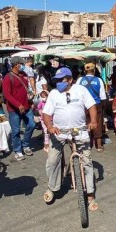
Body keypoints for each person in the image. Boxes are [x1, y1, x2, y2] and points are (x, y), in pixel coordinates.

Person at [42, 67, 99, 211]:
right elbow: (46, 114)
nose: (59, 82)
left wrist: (93, 121)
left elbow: (92, 106)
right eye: (57, 80)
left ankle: (90, 195)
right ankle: (52, 187)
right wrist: (49, 126)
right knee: (52, 161)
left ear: (70, 80)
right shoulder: (54, 94)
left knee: (87, 162)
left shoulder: (81, 90)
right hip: (59, 132)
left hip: (79, 131)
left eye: (62, 80)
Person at [2, 57, 36, 160]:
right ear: (16, 64)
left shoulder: (24, 75)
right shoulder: (8, 77)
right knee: (16, 131)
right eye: (22, 64)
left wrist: (30, 101)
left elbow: (26, 90)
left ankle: (25, 144)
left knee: (32, 124)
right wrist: (18, 105)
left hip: (27, 107)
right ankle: (17, 150)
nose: (23, 66)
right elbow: (7, 95)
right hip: (14, 110)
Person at [77, 62, 107, 152]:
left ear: (84, 71)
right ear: (94, 70)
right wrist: (103, 107)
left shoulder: (80, 80)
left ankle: (87, 144)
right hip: (96, 104)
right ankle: (99, 145)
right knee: (97, 123)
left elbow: (77, 94)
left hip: (84, 105)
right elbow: (103, 96)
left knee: (86, 123)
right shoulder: (99, 80)